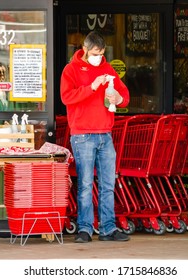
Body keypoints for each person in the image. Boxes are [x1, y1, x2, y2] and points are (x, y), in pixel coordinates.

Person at [60, 31, 130, 243]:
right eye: (94, 53)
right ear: (85, 49)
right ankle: (85, 228)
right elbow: (67, 97)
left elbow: (124, 97)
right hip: (82, 135)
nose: (98, 57)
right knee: (85, 184)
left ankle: (108, 228)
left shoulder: (108, 69)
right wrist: (91, 87)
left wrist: (118, 98)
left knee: (108, 184)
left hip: (105, 135)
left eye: (101, 53)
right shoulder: (71, 70)